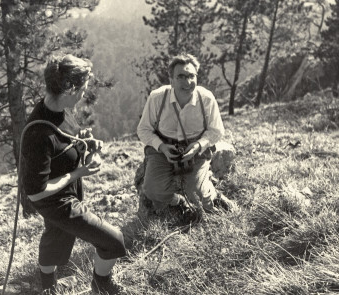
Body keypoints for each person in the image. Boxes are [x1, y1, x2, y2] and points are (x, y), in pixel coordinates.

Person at [21, 54, 126, 295]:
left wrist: (86, 143)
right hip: (55, 200)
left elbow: (66, 140)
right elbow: (36, 194)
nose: (84, 94)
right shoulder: (38, 133)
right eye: (83, 88)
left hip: (68, 191)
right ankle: (101, 284)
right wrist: (80, 171)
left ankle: (47, 286)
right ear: (69, 87)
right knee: (114, 241)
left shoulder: (60, 110)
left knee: (57, 235)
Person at [137, 53, 232, 217]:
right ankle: (178, 201)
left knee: (197, 196)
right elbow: (143, 129)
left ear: (197, 76)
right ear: (171, 79)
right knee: (151, 190)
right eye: (181, 76)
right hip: (163, 148)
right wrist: (162, 147)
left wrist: (198, 146)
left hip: (196, 148)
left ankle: (213, 193)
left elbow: (216, 130)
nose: (187, 82)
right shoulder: (157, 98)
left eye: (191, 76)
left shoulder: (206, 99)